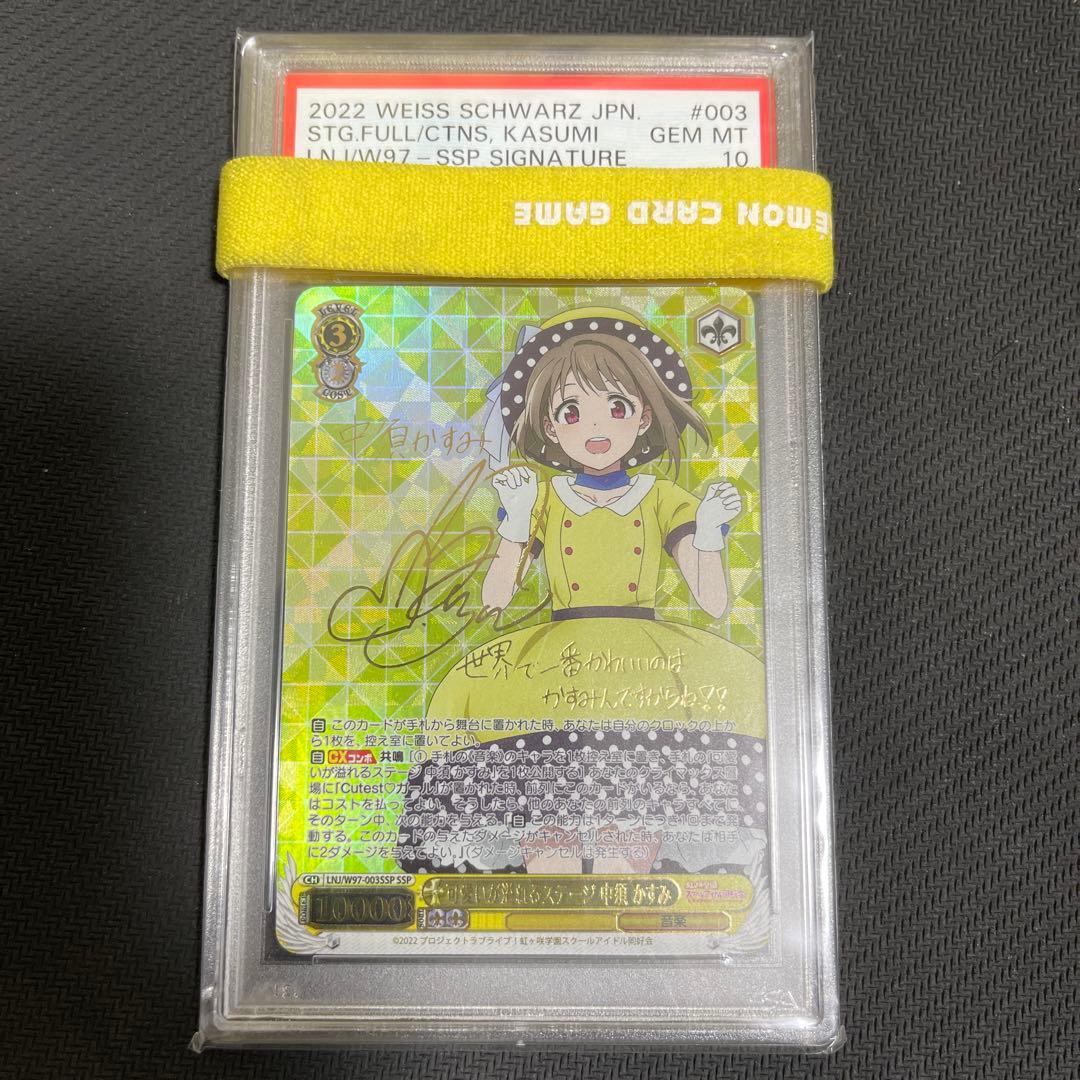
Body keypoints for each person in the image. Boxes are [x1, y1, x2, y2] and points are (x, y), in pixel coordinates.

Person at [396, 308, 767, 878]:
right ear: (550, 427)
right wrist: (517, 518)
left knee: (629, 827)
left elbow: (713, 602)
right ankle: (550, 899)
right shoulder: (544, 497)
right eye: (571, 412)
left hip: (644, 666)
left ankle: (625, 901)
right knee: (547, 830)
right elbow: (496, 597)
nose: (596, 428)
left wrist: (711, 533)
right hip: (553, 663)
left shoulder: (661, 496)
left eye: (616, 407)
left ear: (643, 415)